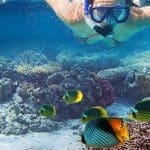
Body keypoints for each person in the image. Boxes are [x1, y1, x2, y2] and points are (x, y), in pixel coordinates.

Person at [45, 0, 150, 47]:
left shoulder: (136, 19)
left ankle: (136, 2)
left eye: (117, 11)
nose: (108, 22)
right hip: (86, 38)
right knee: (84, 39)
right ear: (89, 9)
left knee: (115, 42)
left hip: (115, 40)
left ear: (127, 9)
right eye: (100, 11)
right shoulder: (73, 16)